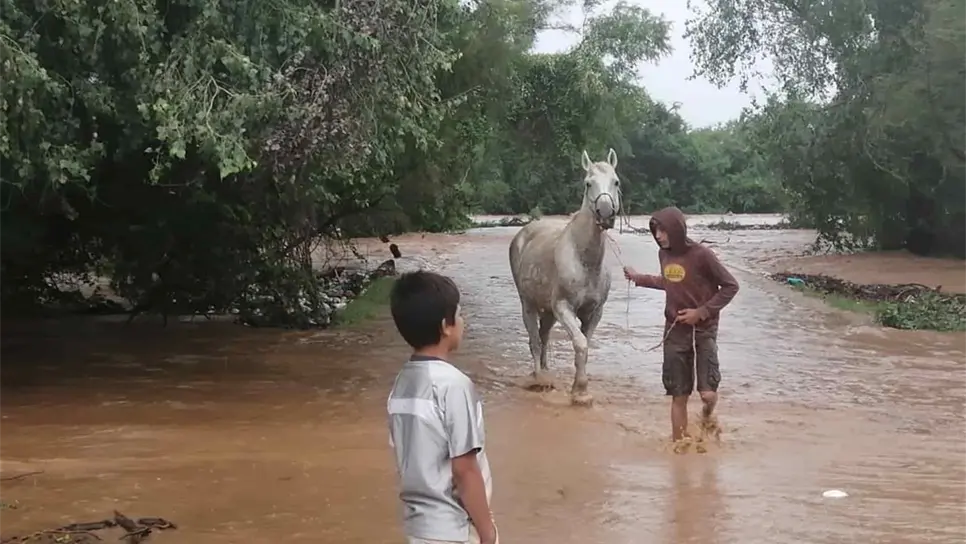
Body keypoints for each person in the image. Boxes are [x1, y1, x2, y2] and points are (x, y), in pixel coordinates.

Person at [386, 270, 499, 544]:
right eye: (459, 314)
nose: (463, 321)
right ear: (446, 326)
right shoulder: (454, 386)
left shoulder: (401, 384)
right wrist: (487, 533)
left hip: (420, 529)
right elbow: (465, 469)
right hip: (456, 529)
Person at [623, 207, 740, 442]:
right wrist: (638, 278)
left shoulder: (702, 255)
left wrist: (702, 312)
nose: (658, 236)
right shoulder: (663, 255)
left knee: (707, 394)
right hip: (674, 332)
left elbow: (731, 286)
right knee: (679, 394)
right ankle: (680, 447)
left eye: (663, 231)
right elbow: (668, 282)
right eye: (655, 231)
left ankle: (707, 416)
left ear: (676, 230)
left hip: (703, 331)